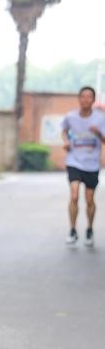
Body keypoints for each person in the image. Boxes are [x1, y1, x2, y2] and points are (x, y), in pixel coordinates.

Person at [60, 86, 105, 247]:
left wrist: (98, 133)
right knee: (74, 195)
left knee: (89, 199)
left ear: (93, 100)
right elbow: (64, 131)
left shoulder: (100, 119)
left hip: (92, 164)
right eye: (83, 96)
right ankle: (72, 230)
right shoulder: (70, 117)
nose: (86, 99)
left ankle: (89, 229)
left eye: (89, 96)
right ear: (79, 99)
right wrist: (66, 141)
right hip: (74, 161)